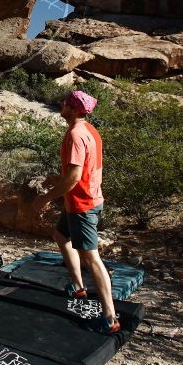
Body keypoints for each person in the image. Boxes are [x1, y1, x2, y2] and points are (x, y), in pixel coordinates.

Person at [37, 90, 119, 334]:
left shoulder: (75, 134)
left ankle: (109, 318)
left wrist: (45, 198)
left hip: (82, 204)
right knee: (62, 237)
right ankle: (78, 286)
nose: (61, 105)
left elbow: (73, 177)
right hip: (83, 200)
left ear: (73, 109)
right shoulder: (89, 130)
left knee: (92, 258)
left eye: (65, 103)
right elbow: (84, 169)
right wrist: (59, 180)